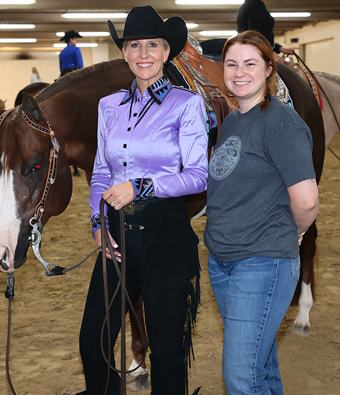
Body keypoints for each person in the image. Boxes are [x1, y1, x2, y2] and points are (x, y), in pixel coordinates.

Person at [77, 6, 208, 394]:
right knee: (93, 339)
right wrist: (97, 222)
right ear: (124, 53)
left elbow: (199, 176)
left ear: (167, 52)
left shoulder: (186, 105)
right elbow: (101, 171)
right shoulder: (108, 107)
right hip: (117, 231)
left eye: (153, 45)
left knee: (167, 349)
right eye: (135, 45)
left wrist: (142, 186)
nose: (144, 53)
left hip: (165, 233)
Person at [204, 30, 318, 394]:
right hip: (224, 261)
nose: (239, 72)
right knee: (260, 364)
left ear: (269, 69)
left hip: (262, 260)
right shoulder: (235, 119)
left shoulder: (281, 123)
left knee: (240, 375)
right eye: (232, 64)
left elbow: (307, 201)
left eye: (250, 63)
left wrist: (295, 231)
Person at [59, 29, 84, 176]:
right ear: (73, 39)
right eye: (76, 39)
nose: (76, 41)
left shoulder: (62, 52)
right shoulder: (76, 50)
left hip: (63, 76)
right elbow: (80, 66)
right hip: (74, 75)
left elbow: (60, 66)